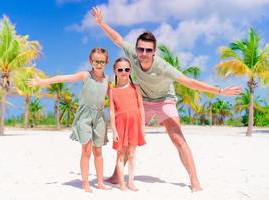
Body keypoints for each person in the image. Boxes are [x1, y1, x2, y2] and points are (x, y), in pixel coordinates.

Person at [91, 6, 242, 192]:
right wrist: (101, 23)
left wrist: (219, 91)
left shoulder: (163, 66)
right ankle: (117, 175)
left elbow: (190, 82)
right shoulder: (133, 54)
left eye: (148, 50)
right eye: (141, 49)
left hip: (165, 101)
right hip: (143, 101)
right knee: (127, 138)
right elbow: (117, 39)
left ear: (154, 52)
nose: (144, 53)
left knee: (178, 138)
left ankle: (194, 181)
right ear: (137, 49)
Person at [27, 47, 111, 193]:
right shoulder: (85, 75)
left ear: (106, 62)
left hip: (99, 117)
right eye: (96, 61)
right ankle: (85, 183)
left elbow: (112, 96)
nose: (99, 64)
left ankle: (100, 182)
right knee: (86, 150)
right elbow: (62, 78)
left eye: (102, 62)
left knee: (98, 151)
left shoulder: (107, 79)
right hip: (84, 116)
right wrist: (41, 82)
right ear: (91, 61)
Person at [109, 57, 146, 191]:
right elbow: (112, 111)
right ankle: (122, 184)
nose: (124, 72)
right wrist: (114, 130)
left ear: (130, 71)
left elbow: (141, 107)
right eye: (120, 69)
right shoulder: (112, 90)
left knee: (132, 154)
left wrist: (142, 126)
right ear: (115, 71)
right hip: (120, 124)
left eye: (127, 69)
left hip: (134, 124)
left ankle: (130, 182)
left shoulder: (136, 87)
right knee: (120, 155)